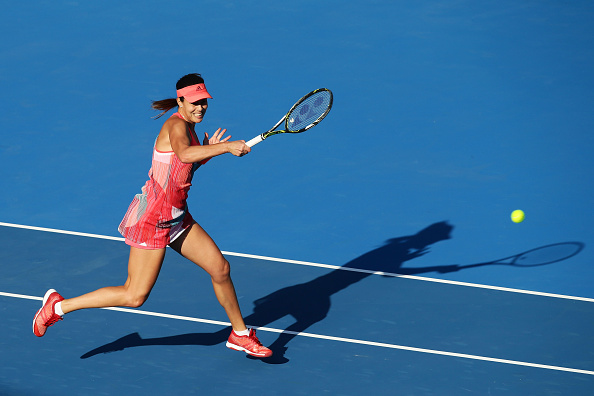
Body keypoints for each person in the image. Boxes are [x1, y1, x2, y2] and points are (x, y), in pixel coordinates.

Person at [32, 73, 272, 358]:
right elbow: (183, 154)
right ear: (180, 101)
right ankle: (58, 306)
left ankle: (239, 334)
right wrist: (225, 147)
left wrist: (208, 153)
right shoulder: (176, 126)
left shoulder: (191, 128)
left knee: (220, 269)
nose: (200, 108)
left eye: (204, 102)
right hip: (153, 219)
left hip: (176, 216)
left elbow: (182, 168)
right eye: (194, 102)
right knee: (135, 295)